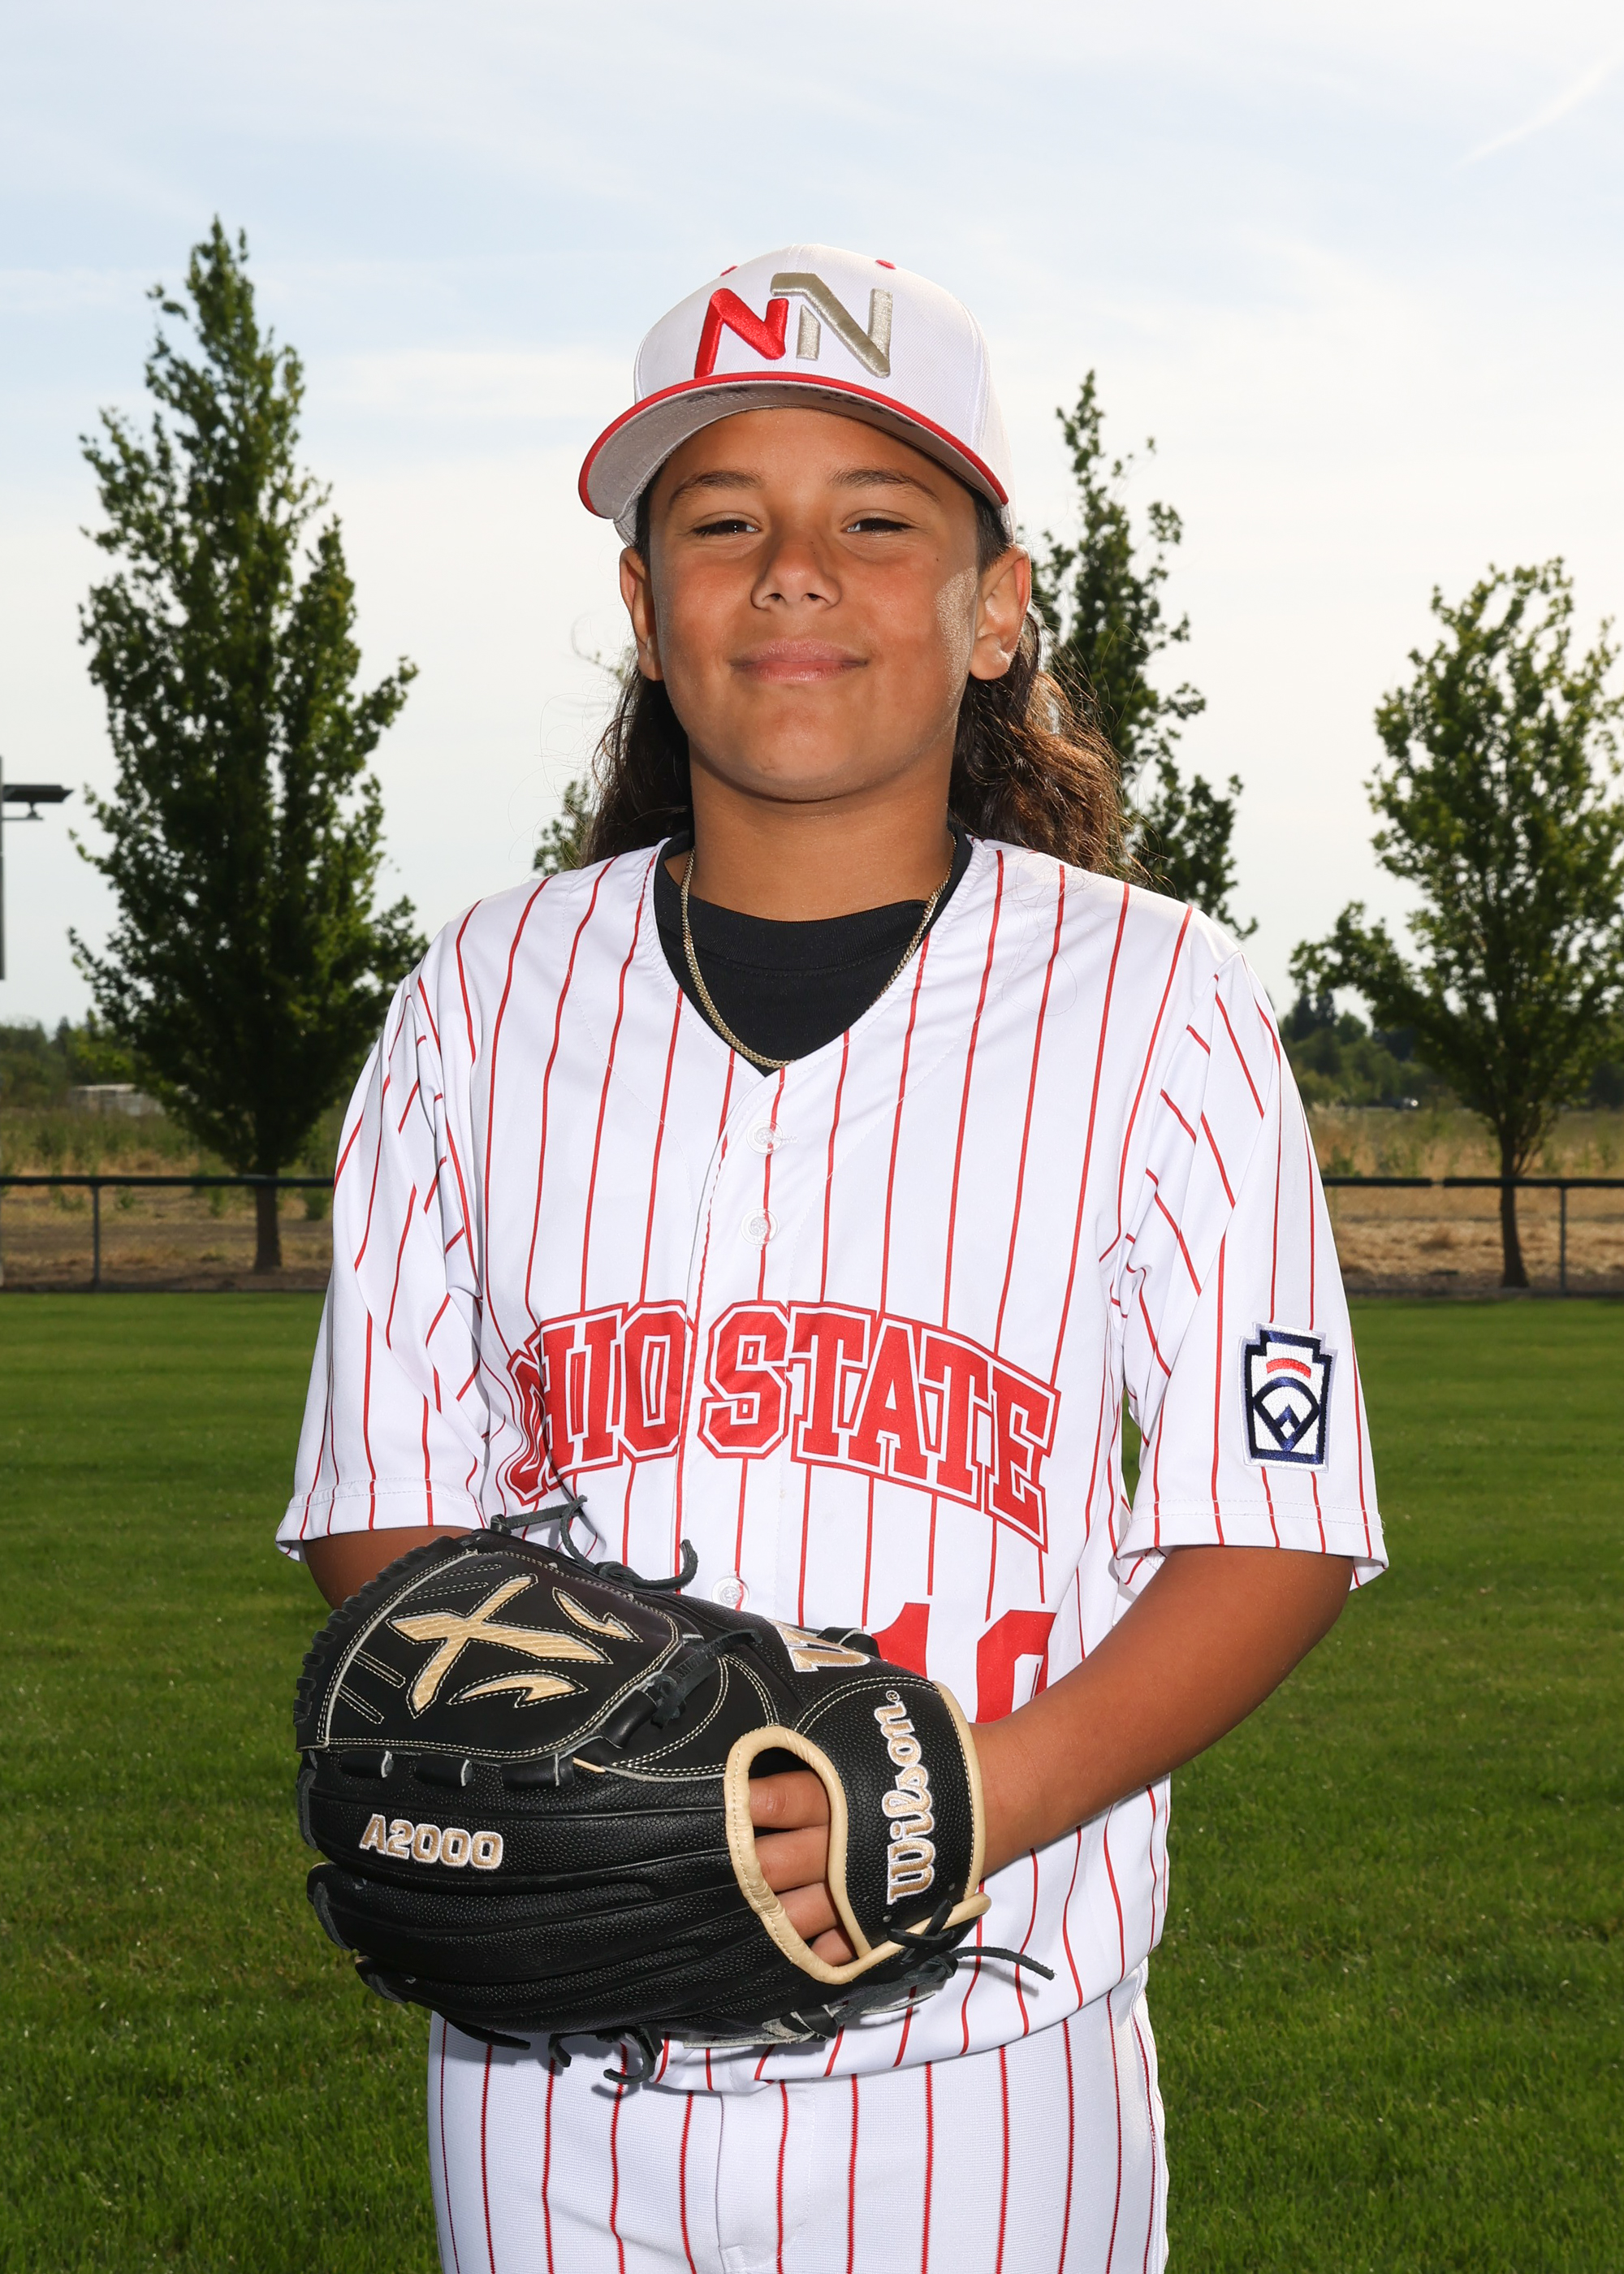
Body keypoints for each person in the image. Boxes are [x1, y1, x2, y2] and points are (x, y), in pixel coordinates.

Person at [281, 244, 1385, 2272]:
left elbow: (1276, 1521)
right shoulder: (481, 994)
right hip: (555, 2061)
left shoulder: (1160, 1000)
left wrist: (971, 1792)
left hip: (987, 2055)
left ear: (994, 605)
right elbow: (384, 1496)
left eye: (876, 522)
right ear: (645, 608)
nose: (795, 574)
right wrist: (567, 1754)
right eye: (723, 523)